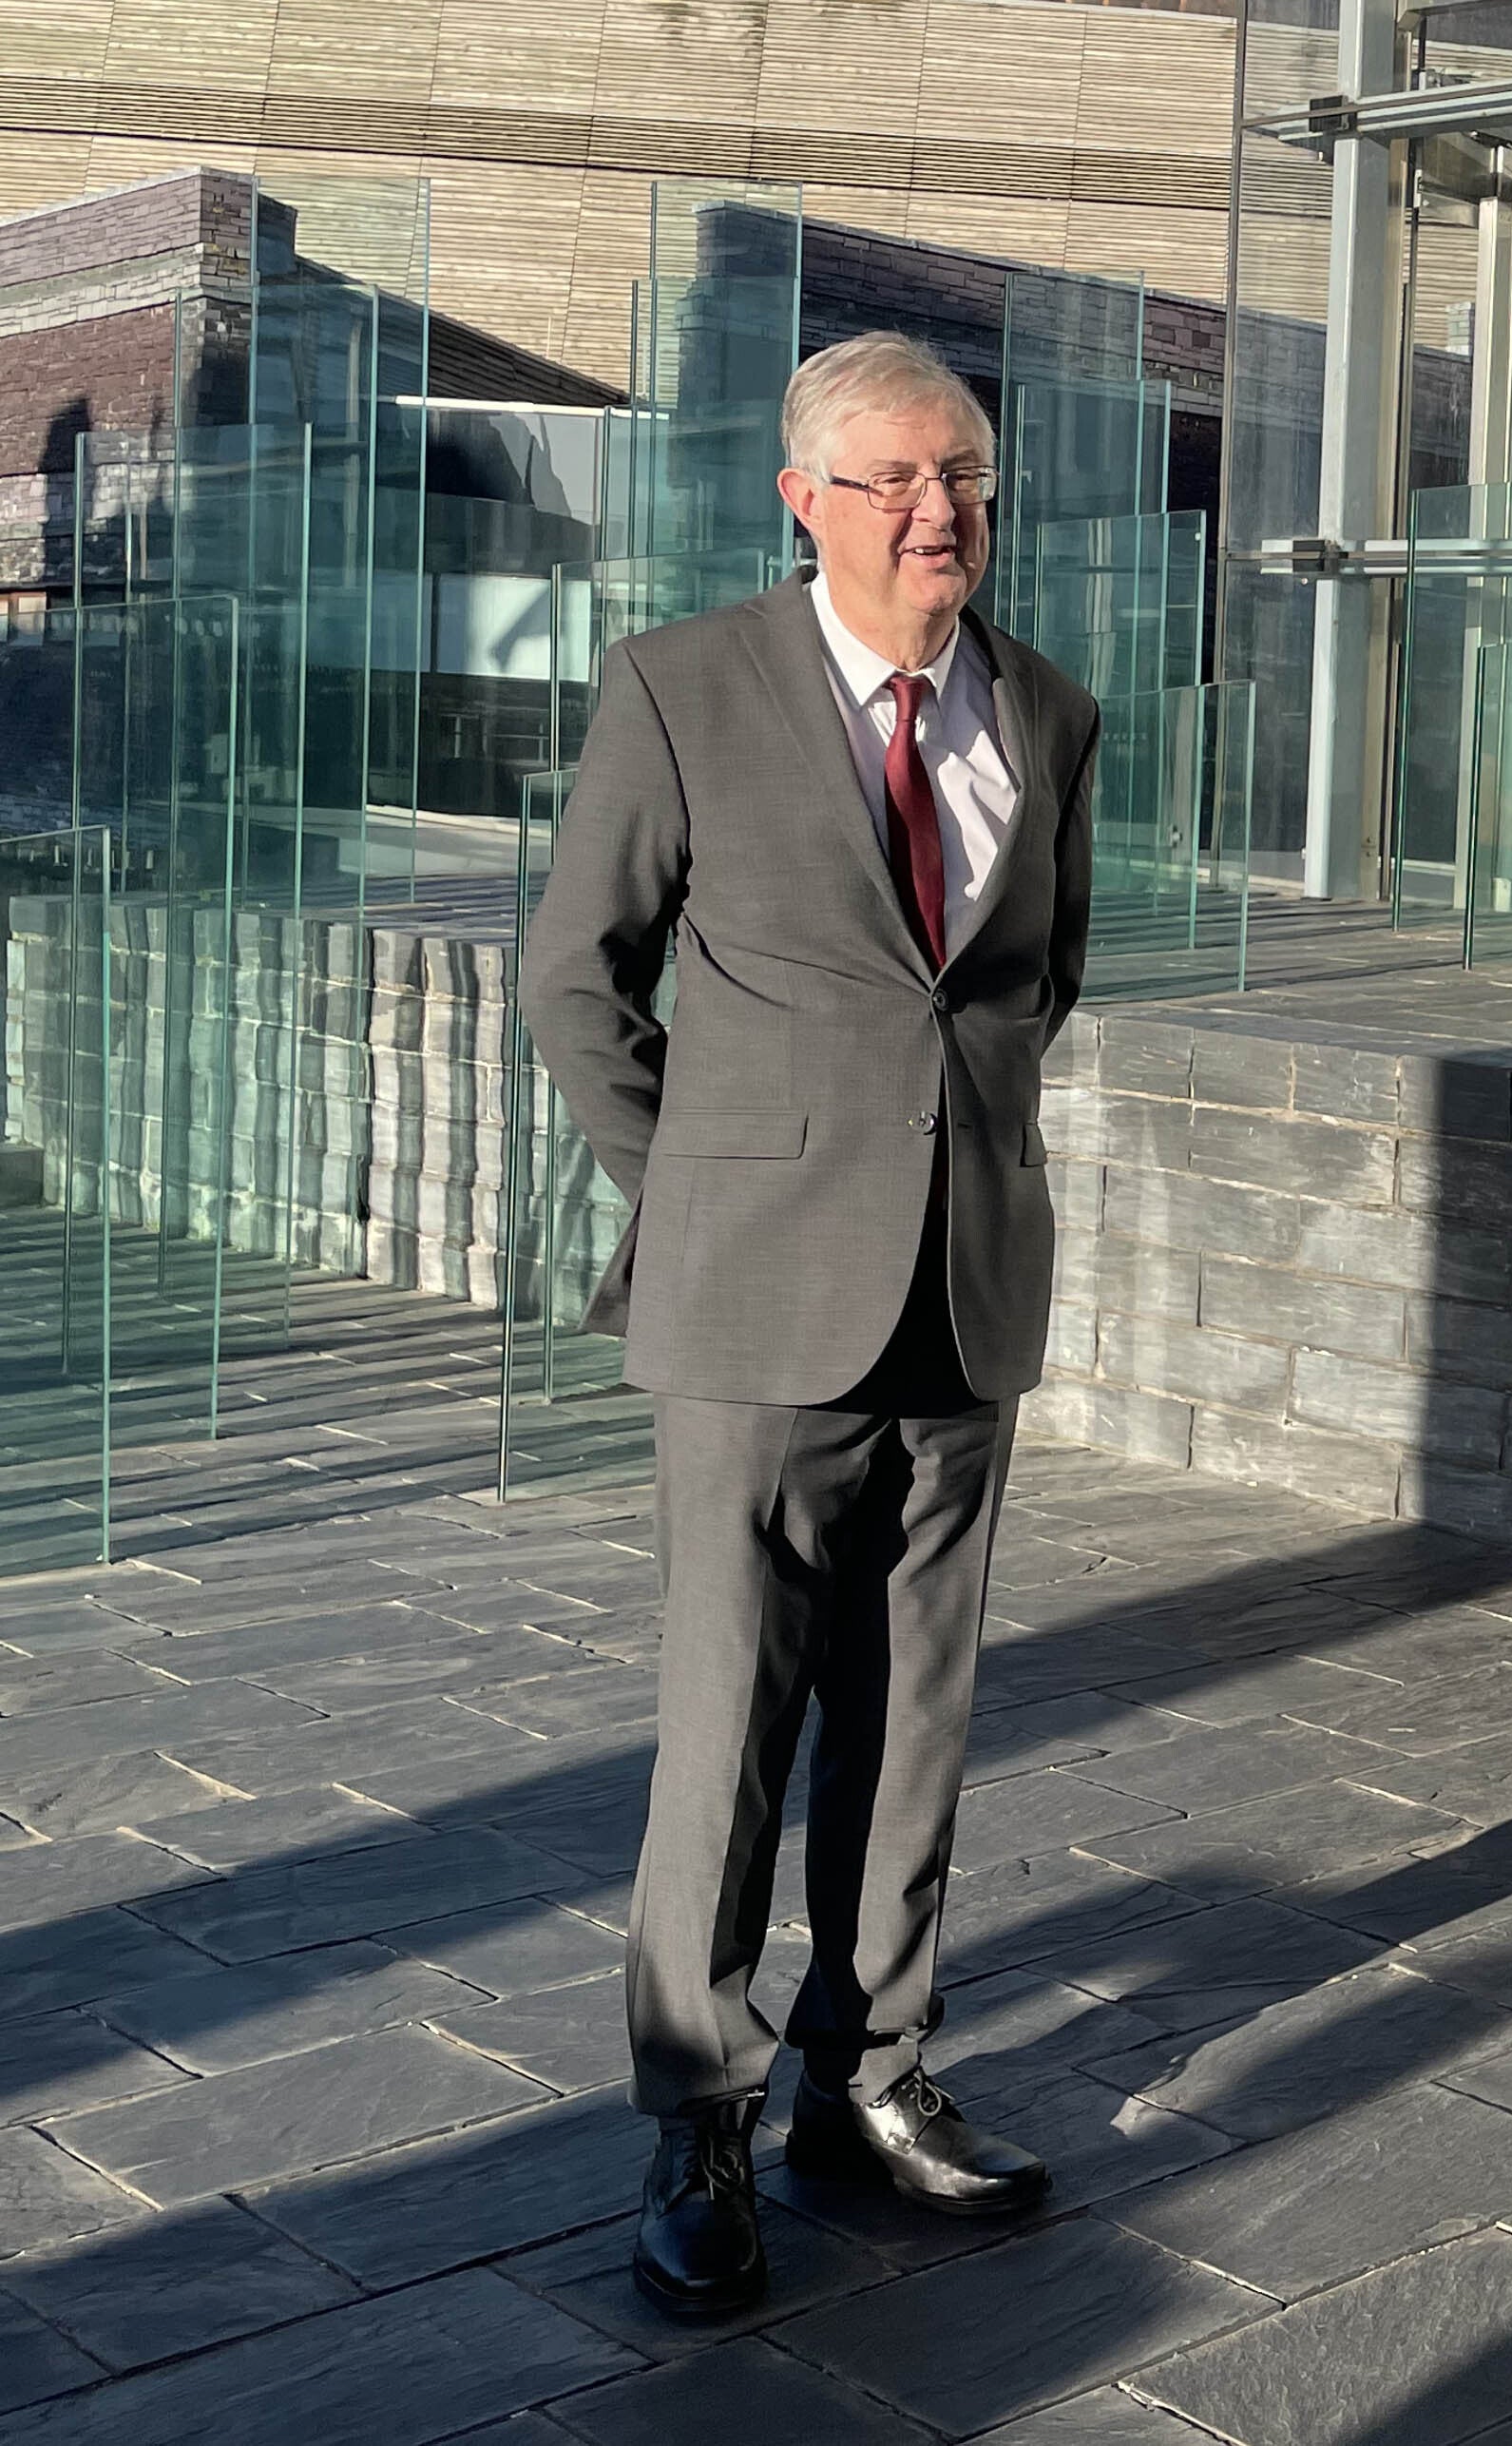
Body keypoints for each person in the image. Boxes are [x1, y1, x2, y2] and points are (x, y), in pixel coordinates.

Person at [526, 330, 1097, 2318]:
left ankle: (869, 2087)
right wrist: (699, 1199)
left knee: (913, 1715)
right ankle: (696, 2119)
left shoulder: (1045, 709)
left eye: (966, 479)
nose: (940, 513)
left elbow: (1027, 992)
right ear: (806, 501)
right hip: (754, 1300)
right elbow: (574, 979)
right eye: (895, 481)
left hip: (963, 1287)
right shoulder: (685, 690)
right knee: (732, 1727)